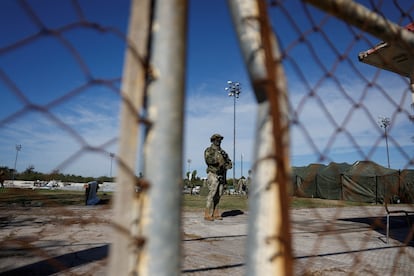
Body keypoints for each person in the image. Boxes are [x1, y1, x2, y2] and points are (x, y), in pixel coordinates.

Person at [204, 133, 232, 221]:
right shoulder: (209, 150)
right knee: (212, 193)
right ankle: (207, 213)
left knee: (219, 194)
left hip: (222, 175)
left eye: (220, 140)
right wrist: (218, 161)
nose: (218, 141)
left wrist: (226, 165)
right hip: (213, 173)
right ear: (212, 140)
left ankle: (216, 213)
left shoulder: (223, 152)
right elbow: (208, 160)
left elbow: (229, 162)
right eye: (216, 139)